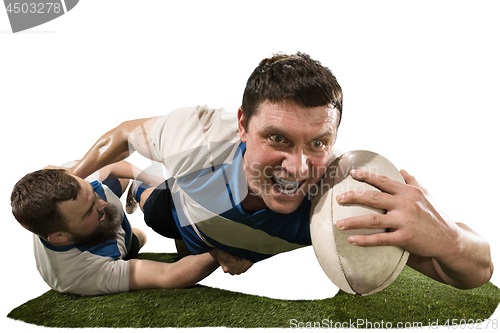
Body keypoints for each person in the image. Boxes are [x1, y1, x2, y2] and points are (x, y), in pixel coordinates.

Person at [70, 52, 493, 290]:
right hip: (181, 207)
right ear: (241, 125)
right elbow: (124, 133)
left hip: (211, 247)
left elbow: (476, 272)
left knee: (193, 261)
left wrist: (451, 240)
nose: (299, 167)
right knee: (153, 205)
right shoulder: (196, 134)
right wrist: (76, 174)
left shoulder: (341, 201)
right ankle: (135, 182)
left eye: (318, 143)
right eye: (277, 139)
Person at [10, 160, 252, 296]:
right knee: (140, 237)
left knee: (127, 189)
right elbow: (168, 275)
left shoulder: (69, 185)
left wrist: (151, 181)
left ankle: (139, 192)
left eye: (91, 193)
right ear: (60, 237)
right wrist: (219, 253)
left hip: (98, 217)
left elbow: (113, 166)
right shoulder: (81, 273)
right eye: (88, 211)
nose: (102, 203)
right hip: (122, 245)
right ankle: (141, 205)